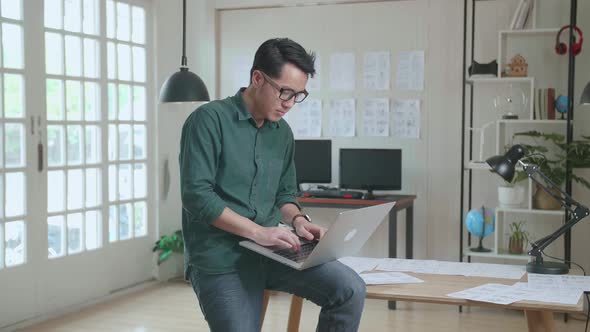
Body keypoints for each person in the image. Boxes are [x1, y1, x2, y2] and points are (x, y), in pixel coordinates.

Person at [180, 38, 366, 332]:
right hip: (220, 258)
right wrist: (259, 232)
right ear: (257, 78)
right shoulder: (208, 120)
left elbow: (284, 193)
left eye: (298, 95)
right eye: (285, 92)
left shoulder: (282, 133)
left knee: (350, 289)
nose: (290, 103)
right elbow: (197, 196)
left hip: (272, 250)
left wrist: (298, 220)